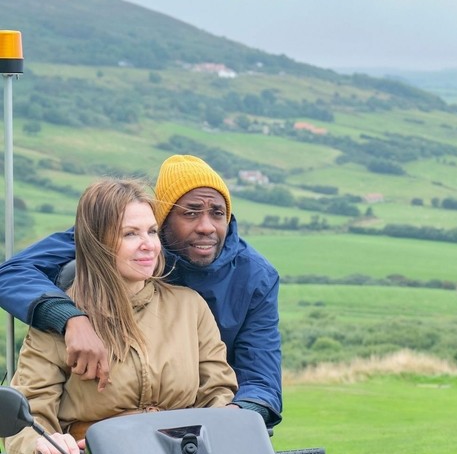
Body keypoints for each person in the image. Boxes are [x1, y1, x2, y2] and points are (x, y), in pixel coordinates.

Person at [3, 178, 238, 454]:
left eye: (150, 231)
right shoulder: (56, 322)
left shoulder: (190, 308)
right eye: (130, 234)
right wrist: (48, 443)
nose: (148, 244)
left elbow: (218, 392)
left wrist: (232, 429)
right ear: (96, 243)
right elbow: (27, 417)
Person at [0, 155, 282, 427]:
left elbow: (258, 380)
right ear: (164, 220)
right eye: (191, 213)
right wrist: (70, 319)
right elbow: (13, 273)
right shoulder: (109, 233)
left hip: (190, 447)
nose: (206, 227)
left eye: (218, 213)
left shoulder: (251, 279)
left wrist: (230, 421)